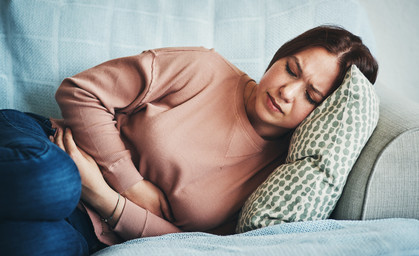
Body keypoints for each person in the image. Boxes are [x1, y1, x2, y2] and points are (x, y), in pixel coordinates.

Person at [0, 25, 378, 255]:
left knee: (42, 248)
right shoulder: (204, 68)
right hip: (51, 148)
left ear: (324, 113)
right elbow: (80, 92)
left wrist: (107, 199)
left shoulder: (279, 179)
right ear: (278, 58)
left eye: (311, 96)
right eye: (290, 69)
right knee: (56, 184)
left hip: (91, 231)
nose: (287, 91)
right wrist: (131, 184)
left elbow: (196, 244)